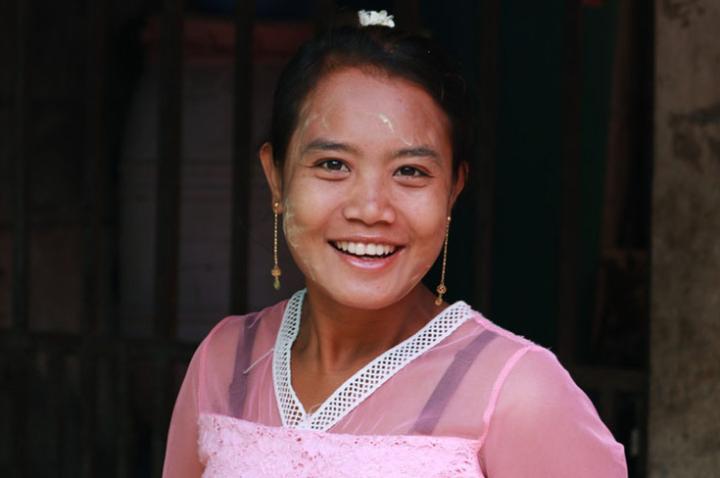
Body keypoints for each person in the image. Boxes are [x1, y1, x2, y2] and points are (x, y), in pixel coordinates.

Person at [163, 10, 627, 477]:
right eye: (332, 164)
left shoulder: (516, 394)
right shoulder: (225, 364)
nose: (370, 209)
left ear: (453, 190)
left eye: (410, 172)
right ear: (276, 178)